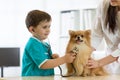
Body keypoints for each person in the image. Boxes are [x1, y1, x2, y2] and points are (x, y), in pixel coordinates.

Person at [22, 10, 76, 76]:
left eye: (49, 26)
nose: (48, 30)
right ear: (32, 30)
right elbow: (44, 64)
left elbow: (47, 62)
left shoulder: (45, 45)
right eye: (44, 27)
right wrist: (64, 59)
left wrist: (54, 59)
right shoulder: (33, 44)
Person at [87, 0, 120, 74]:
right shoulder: (104, 5)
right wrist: (85, 53)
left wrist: (98, 63)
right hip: (109, 57)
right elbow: (96, 35)